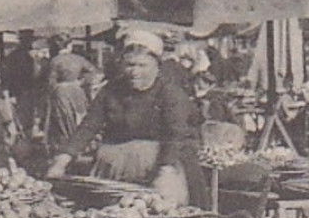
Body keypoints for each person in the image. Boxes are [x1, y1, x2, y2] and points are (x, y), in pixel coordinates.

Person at [46, 29, 207, 206]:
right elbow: (88, 126)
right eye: (130, 65)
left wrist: (165, 170)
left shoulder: (169, 93)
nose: (134, 72)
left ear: (156, 65)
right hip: (120, 164)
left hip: (165, 161)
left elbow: (176, 134)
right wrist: (63, 159)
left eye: (141, 65)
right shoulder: (111, 90)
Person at [45, 37, 100, 145]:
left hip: (61, 91)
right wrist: (82, 82)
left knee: (64, 117)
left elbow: (51, 80)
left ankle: (67, 141)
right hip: (76, 90)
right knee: (80, 115)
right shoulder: (78, 59)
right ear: (69, 45)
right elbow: (92, 71)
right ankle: (83, 142)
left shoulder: (55, 60)